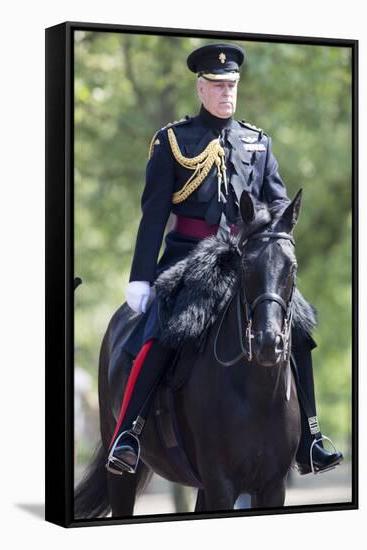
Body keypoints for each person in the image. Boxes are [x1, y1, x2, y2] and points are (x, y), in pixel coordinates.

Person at [106, 43, 343, 477]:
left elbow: (278, 203)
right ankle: (130, 432)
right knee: (161, 331)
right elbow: (154, 214)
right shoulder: (174, 141)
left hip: (248, 261)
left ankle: (310, 437)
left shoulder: (257, 142)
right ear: (201, 88)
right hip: (189, 261)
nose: (226, 93)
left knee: (300, 326)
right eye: (217, 86)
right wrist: (141, 278)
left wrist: (272, 232)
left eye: (231, 85)